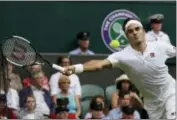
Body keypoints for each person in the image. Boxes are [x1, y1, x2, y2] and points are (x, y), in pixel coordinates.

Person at [63, 18, 176, 119]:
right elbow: (98, 64)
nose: (135, 33)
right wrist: (75, 68)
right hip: (152, 104)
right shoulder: (122, 56)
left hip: (170, 92)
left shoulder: (160, 46)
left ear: (143, 31)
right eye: (130, 31)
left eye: (137, 29)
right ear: (127, 36)